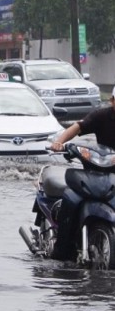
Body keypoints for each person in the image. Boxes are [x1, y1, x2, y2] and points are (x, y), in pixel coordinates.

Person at [50, 87, 115, 259]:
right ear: (112, 101)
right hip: (94, 175)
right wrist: (59, 142)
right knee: (71, 199)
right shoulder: (100, 116)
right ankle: (62, 249)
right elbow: (78, 127)